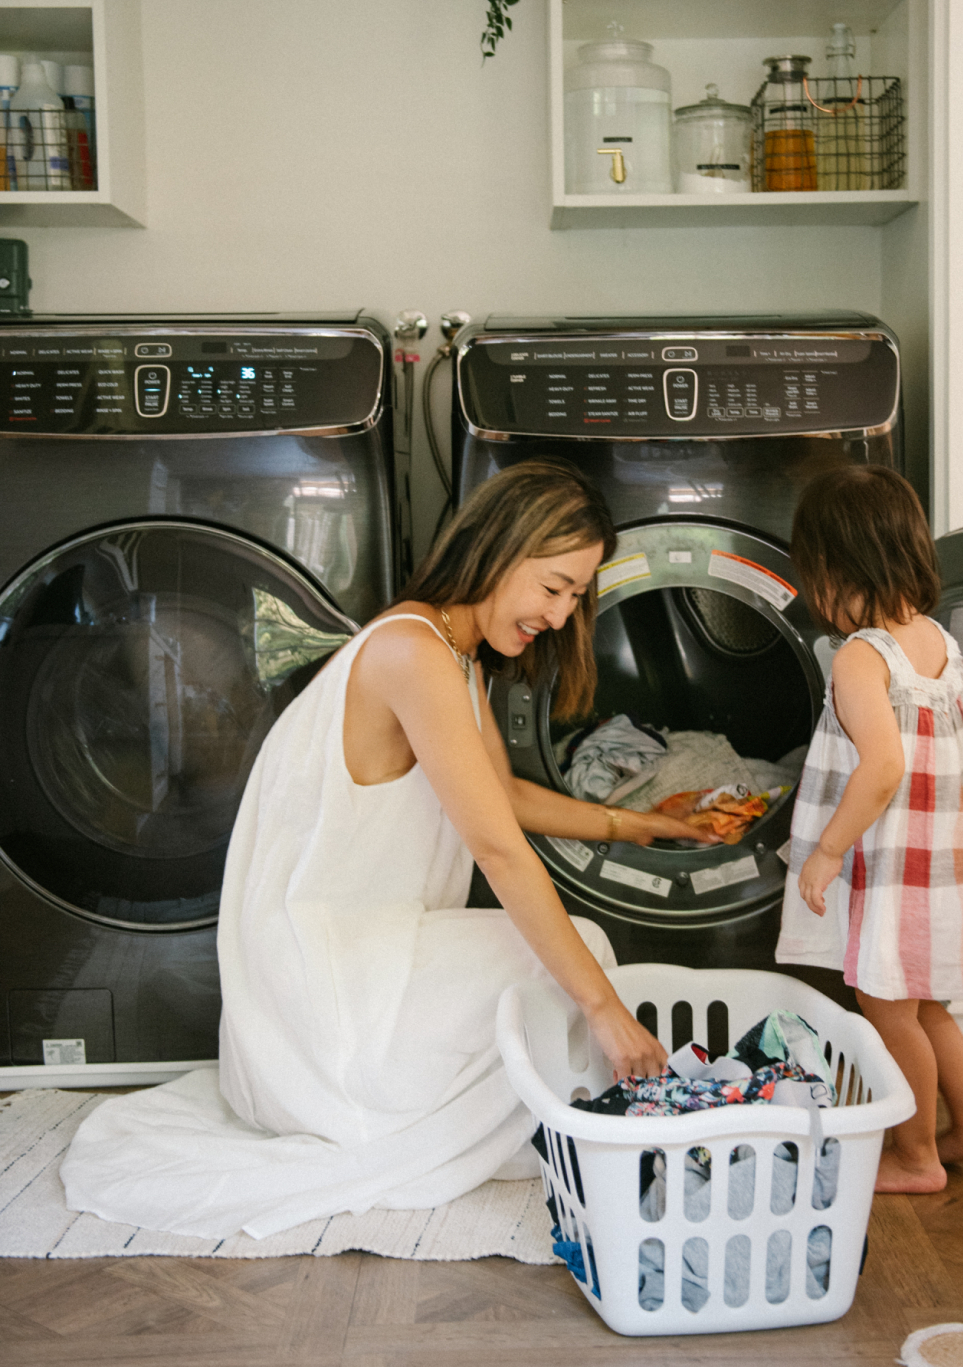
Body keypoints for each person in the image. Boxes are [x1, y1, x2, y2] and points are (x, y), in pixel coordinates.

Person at [62, 458, 712, 1239]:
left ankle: (552, 1119)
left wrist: (644, 824)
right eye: (554, 586)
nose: (566, 613)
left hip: (355, 969)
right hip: (326, 1002)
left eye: (578, 594)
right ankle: (547, 1123)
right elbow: (500, 850)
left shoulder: (451, 654)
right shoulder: (413, 652)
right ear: (502, 549)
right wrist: (604, 1010)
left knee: (574, 968)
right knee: (584, 966)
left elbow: (501, 796)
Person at [775, 464, 963, 1194]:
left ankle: (915, 1155)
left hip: (896, 873)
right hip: (943, 868)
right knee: (925, 1003)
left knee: (886, 1009)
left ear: (833, 569)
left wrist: (826, 851)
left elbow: (881, 767)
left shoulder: (861, 655)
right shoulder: (939, 640)